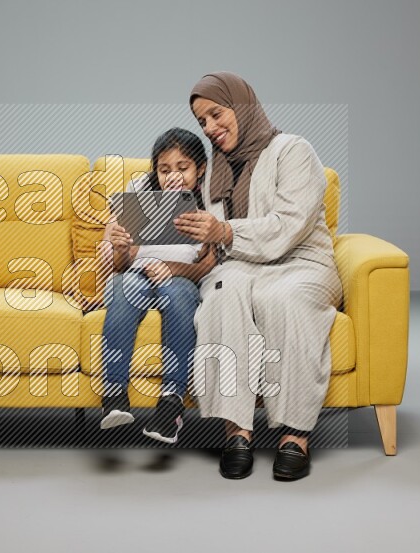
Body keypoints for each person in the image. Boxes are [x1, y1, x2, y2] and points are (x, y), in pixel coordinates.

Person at [174, 72, 343, 480]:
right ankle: (237, 431)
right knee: (219, 293)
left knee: (283, 299)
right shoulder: (216, 172)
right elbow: (214, 246)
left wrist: (227, 232)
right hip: (241, 265)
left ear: (241, 105)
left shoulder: (293, 150)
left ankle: (294, 435)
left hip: (301, 262)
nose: (211, 128)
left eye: (216, 114)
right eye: (203, 122)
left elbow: (290, 224)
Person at [99, 128, 217, 444]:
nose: (173, 177)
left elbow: (207, 267)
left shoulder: (211, 202)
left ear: (200, 168)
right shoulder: (139, 190)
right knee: (122, 289)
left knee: (179, 298)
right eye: (164, 170)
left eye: (183, 168)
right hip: (137, 273)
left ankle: (170, 403)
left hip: (179, 278)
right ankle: (113, 395)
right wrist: (121, 247)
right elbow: (120, 265)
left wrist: (172, 269)